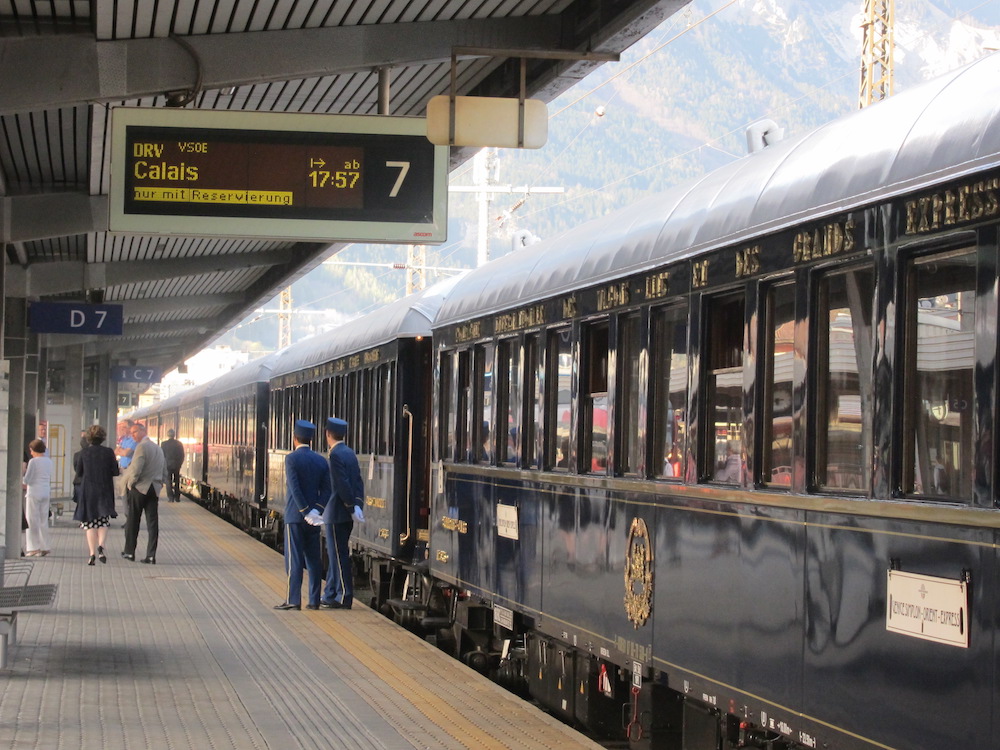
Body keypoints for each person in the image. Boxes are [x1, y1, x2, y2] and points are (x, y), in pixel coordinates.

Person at [274, 420, 330, 611]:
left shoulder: (291, 459)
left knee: (295, 559)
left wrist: (304, 511)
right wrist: (317, 511)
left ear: (294, 438)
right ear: (311, 440)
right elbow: (327, 489)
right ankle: (314, 601)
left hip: (295, 517)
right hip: (314, 519)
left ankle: (293, 600)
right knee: (314, 560)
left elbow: (295, 488)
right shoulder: (321, 460)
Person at [321, 417, 365, 610]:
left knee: (339, 556)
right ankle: (330, 592)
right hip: (345, 513)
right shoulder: (349, 453)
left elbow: (342, 484)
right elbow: (358, 481)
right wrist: (357, 505)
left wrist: (349, 505)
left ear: (327, 434)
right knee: (335, 554)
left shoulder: (335, 455)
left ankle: (344, 595)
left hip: (336, 512)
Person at [73, 425, 120, 565]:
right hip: (105, 489)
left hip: (88, 491)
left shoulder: (84, 453)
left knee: (89, 524)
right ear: (103, 437)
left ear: (89, 438)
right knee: (103, 520)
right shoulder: (109, 452)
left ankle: (92, 553)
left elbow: (79, 472)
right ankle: (101, 545)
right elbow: (115, 472)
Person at [121, 422, 166, 564]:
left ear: (142, 431)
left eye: (134, 432)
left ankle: (129, 552)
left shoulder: (141, 447)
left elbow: (136, 468)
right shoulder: (158, 448)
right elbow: (164, 469)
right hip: (154, 488)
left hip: (140, 488)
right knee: (153, 523)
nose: (132, 435)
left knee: (133, 520)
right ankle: (151, 555)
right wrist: (160, 484)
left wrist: (130, 483)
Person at [22, 439, 54, 557]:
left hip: (34, 492)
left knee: (31, 520)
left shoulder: (33, 462)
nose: (30, 453)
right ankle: (45, 546)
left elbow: (28, 479)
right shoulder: (49, 461)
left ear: (34, 450)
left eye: (31, 450)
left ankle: (33, 547)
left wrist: (23, 480)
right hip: (46, 491)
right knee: (43, 520)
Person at [114, 420, 136, 526]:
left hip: (130, 470)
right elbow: (116, 451)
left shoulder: (133, 440)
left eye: (123, 427)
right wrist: (122, 451)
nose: (121, 429)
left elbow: (127, 453)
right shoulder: (124, 439)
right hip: (123, 469)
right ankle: (129, 519)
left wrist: (122, 451)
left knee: (127, 496)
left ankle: (130, 520)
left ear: (129, 428)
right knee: (124, 496)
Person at [160, 429, 185, 502]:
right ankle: (177, 497)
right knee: (177, 480)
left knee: (168, 481)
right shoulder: (179, 443)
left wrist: (163, 464)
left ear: (168, 435)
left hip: (167, 465)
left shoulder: (164, 444)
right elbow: (182, 455)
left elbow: (162, 455)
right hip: (177, 465)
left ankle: (170, 497)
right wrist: (180, 464)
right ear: (174, 435)